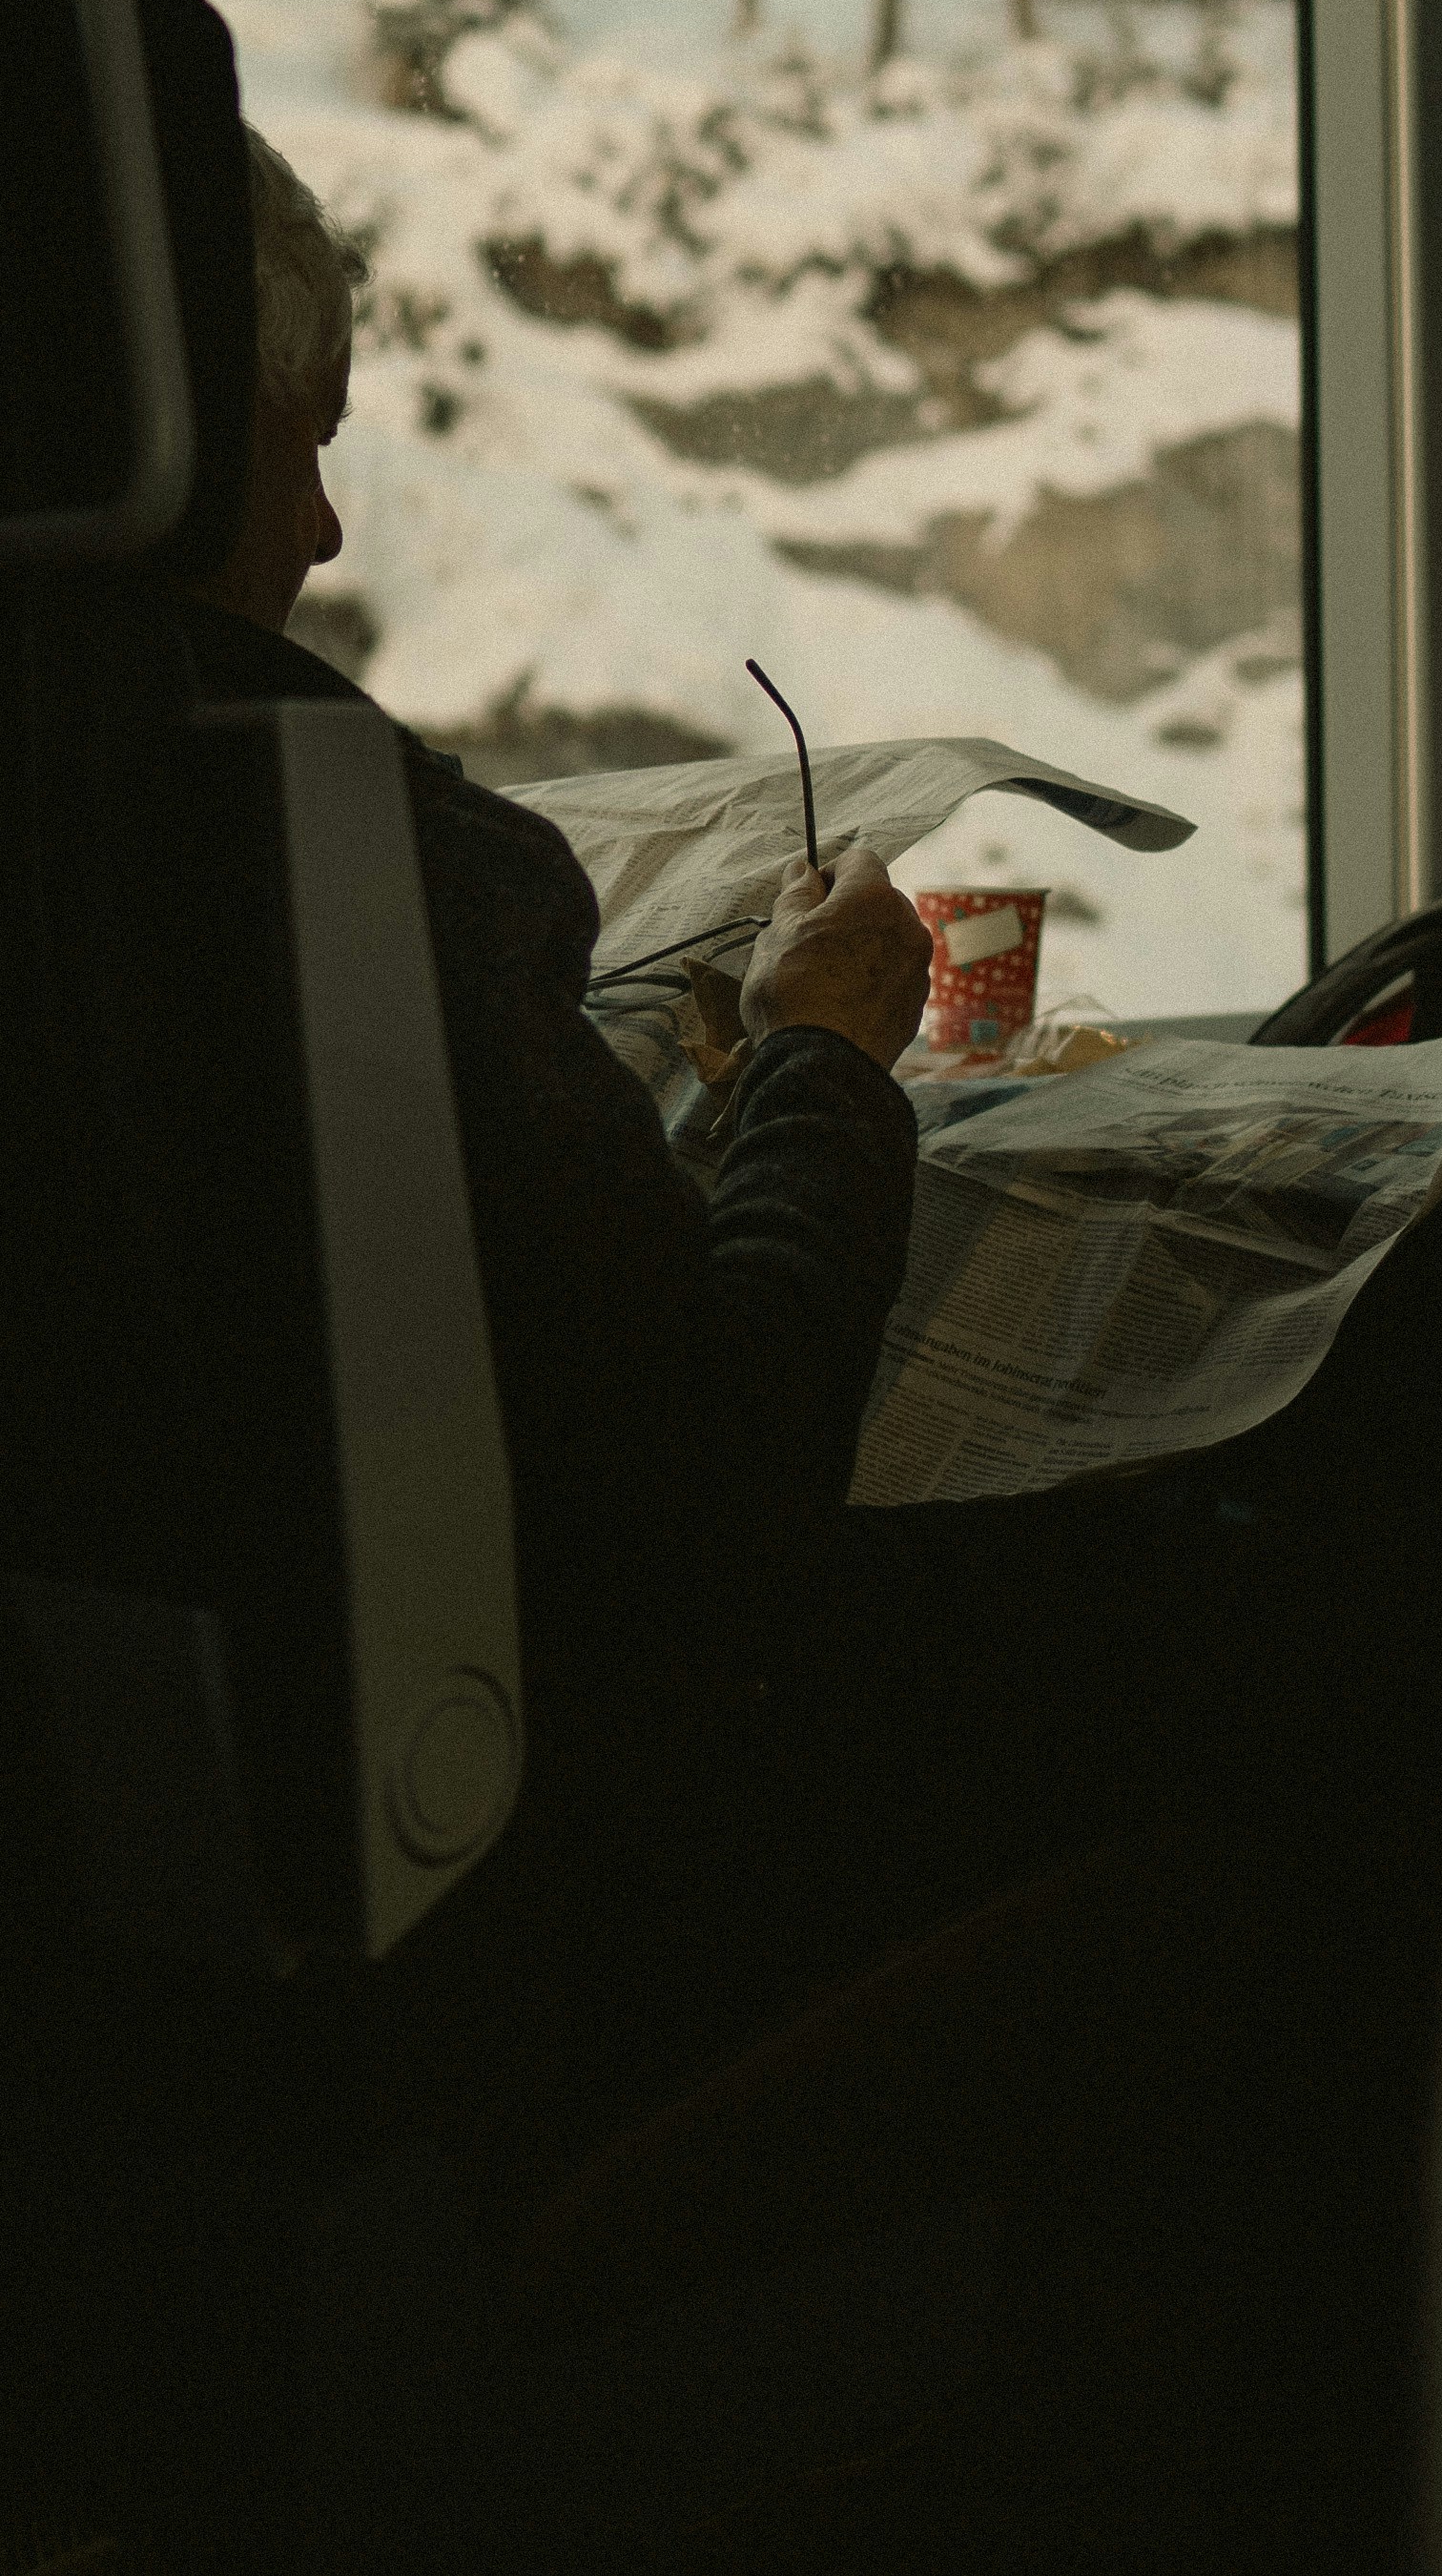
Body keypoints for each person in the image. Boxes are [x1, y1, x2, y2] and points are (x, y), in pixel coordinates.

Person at [176, 128, 932, 1788]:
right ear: (169, 424)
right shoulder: (386, 878)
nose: (319, 534)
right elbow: (719, 1501)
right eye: (298, 451)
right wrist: (820, 1059)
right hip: (534, 1810)